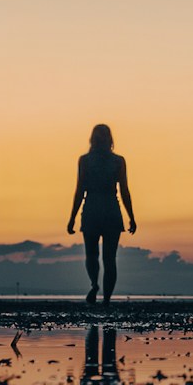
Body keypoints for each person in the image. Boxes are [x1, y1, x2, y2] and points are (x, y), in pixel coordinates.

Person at [67, 124, 136, 305]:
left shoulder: (86, 160)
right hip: (111, 210)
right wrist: (131, 217)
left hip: (92, 210)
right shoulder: (118, 161)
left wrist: (72, 218)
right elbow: (124, 191)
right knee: (109, 258)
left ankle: (94, 285)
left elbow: (80, 190)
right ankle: (106, 299)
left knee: (92, 255)